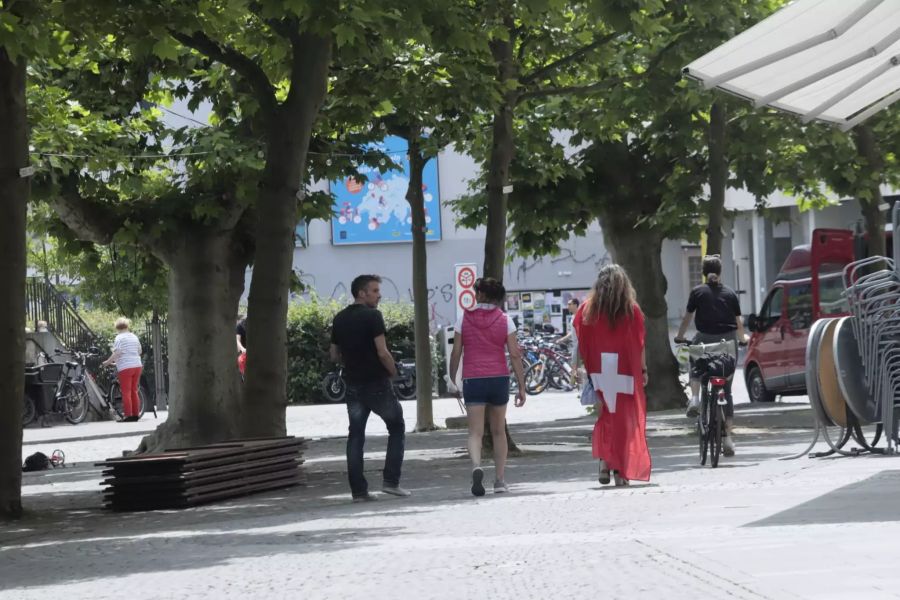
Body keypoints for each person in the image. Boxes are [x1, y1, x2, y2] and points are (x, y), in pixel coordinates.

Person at [330, 274, 410, 502]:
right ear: (361, 293)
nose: (379, 295)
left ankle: (358, 491)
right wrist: (393, 372)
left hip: (352, 384)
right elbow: (382, 351)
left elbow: (334, 354)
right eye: (374, 291)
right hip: (376, 383)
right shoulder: (373, 316)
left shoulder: (339, 318)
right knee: (396, 426)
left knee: (355, 435)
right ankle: (391, 482)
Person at [573, 264, 651, 486]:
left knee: (605, 416)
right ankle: (620, 470)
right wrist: (643, 370)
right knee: (624, 421)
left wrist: (583, 368)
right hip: (625, 373)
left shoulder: (587, 309)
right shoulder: (631, 310)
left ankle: (604, 463)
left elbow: (581, 340)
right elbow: (640, 343)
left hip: (599, 373)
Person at [448, 277, 527, 497]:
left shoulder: (463, 319)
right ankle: (500, 480)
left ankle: (476, 466)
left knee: (475, 432)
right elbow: (514, 354)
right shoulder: (505, 320)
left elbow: (456, 353)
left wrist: (452, 379)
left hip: (473, 378)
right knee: (498, 431)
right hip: (498, 377)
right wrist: (522, 386)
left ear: (480, 294)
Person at [674, 255, 748, 456]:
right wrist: (743, 338)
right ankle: (728, 440)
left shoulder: (697, 292)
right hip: (726, 344)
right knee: (727, 390)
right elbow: (738, 324)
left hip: (704, 341)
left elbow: (687, 319)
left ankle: (696, 398)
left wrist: (680, 337)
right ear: (720, 272)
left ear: (703, 272)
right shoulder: (731, 294)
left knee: (694, 358)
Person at [102, 317, 143, 422]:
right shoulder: (134, 336)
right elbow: (139, 351)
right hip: (137, 365)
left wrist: (107, 362)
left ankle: (128, 415)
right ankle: (135, 415)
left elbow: (117, 353)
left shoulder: (119, 338)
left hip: (126, 368)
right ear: (127, 326)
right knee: (134, 391)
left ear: (117, 327)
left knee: (126, 392)